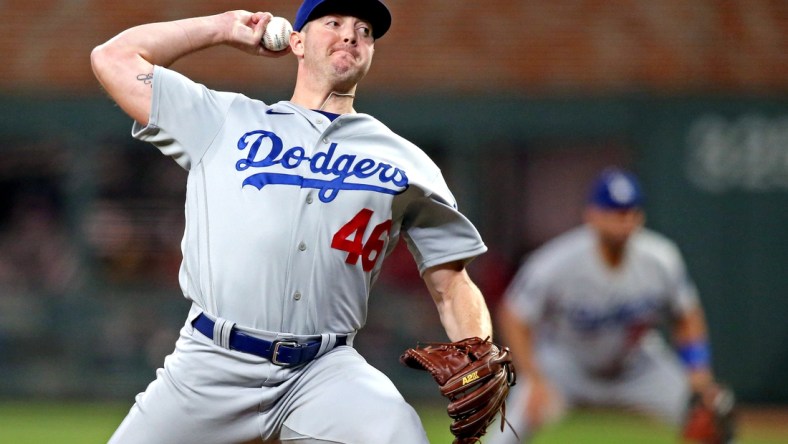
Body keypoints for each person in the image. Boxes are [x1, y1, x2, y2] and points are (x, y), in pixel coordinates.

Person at [90, 1, 495, 443]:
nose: (350, 34)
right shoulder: (225, 120)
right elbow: (112, 58)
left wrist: (480, 351)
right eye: (333, 22)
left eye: (364, 30)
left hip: (323, 372)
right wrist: (223, 27)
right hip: (211, 364)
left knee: (400, 433)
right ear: (296, 42)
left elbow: (452, 283)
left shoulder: (407, 161)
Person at [487, 167, 726, 443]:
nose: (624, 221)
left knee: (709, 413)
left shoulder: (661, 259)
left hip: (636, 365)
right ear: (592, 214)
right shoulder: (556, 262)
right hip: (567, 365)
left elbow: (686, 314)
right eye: (614, 211)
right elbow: (514, 315)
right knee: (511, 427)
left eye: (630, 211)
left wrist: (699, 372)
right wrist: (533, 377)